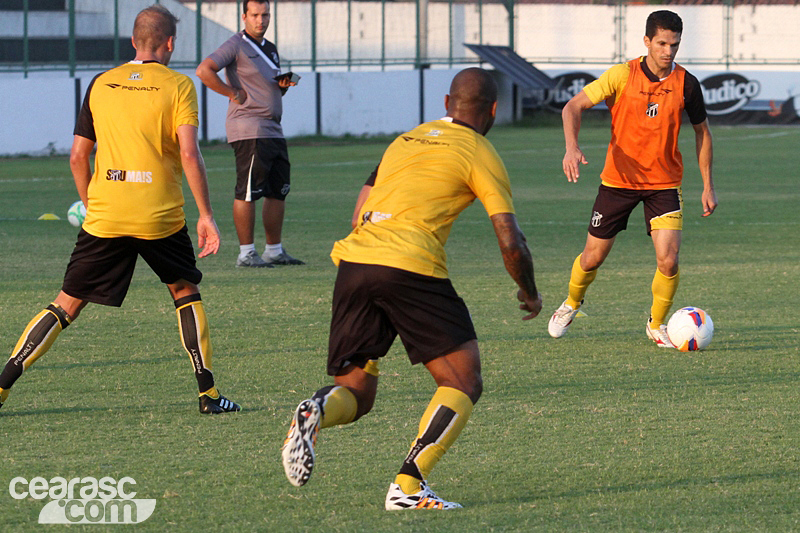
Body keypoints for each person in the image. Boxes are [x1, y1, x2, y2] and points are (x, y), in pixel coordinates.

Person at [280, 68, 543, 510]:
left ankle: (317, 410)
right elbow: (510, 240)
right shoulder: (480, 150)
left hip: (355, 262)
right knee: (462, 378)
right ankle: (408, 486)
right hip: (409, 265)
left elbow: (360, 206)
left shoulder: (405, 139)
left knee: (358, 394)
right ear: (494, 111)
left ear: (446, 103)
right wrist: (529, 291)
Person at [0, 5, 239, 415]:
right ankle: (209, 396)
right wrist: (206, 215)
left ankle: (2, 386)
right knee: (184, 291)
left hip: (107, 214)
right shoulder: (179, 85)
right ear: (169, 43)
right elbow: (188, 153)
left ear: (133, 41)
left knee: (66, 303)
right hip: (159, 216)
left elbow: (78, 157)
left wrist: (94, 204)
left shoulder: (101, 82)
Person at [548, 10, 717, 347]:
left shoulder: (686, 83)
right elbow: (573, 107)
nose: (668, 52)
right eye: (662, 44)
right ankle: (571, 303)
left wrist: (708, 185)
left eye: (675, 44)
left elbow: (703, 133)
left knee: (669, 260)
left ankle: (656, 324)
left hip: (664, 185)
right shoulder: (621, 76)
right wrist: (571, 147)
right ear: (647, 42)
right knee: (592, 258)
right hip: (617, 182)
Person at [196, 0, 303, 268]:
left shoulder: (270, 48)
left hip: (273, 128)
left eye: (265, 15)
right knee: (248, 191)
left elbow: (266, 86)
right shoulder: (236, 44)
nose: (261, 20)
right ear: (244, 16)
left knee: (278, 190)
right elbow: (204, 70)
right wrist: (232, 92)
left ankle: (274, 250)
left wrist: (282, 86)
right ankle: (246, 253)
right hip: (249, 127)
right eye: (255, 15)